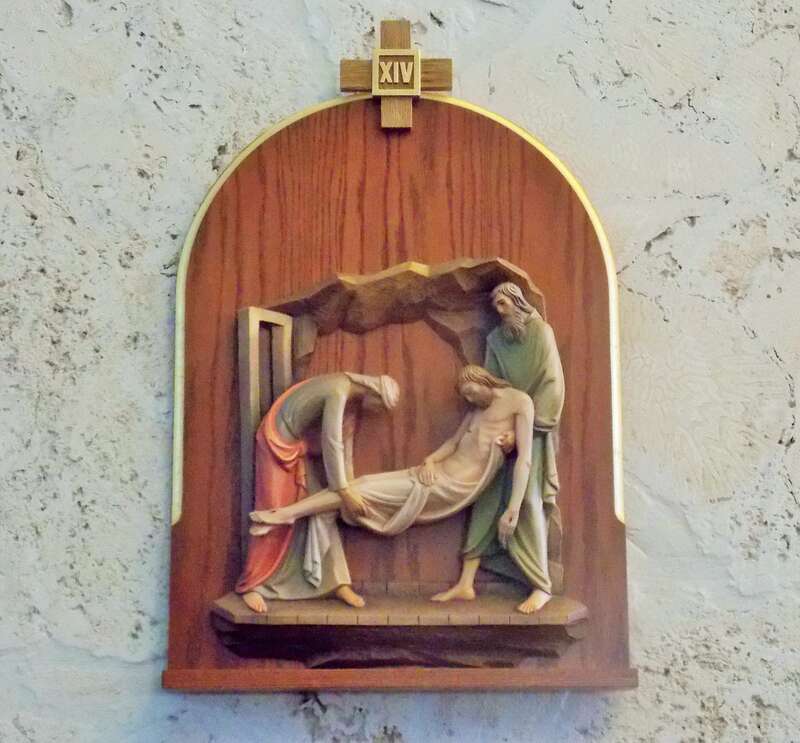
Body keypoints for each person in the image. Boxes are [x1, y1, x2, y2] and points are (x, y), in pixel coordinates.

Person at [249, 365, 532, 558]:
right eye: (465, 395)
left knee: (359, 491)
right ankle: (288, 513)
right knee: (360, 484)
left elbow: (525, 460)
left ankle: (288, 514)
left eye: (471, 391)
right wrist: (430, 461)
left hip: (449, 487)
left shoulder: (520, 402)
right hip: (431, 474)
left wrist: (514, 507)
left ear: (484, 380)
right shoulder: (476, 412)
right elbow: (452, 444)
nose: (469, 398)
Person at [432, 281, 565, 614]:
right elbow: (489, 388)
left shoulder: (542, 334)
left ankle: (541, 585)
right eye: (495, 307)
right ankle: (466, 582)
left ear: (518, 302)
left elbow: (552, 386)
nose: (500, 312)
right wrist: (500, 426)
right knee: (485, 499)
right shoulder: (495, 340)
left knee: (529, 501)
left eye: (504, 304)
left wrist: (522, 431)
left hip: (532, 430)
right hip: (497, 433)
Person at [236, 372, 400, 614]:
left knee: (322, 511)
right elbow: (332, 443)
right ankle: (253, 584)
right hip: (276, 447)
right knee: (273, 514)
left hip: (298, 449)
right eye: (380, 406)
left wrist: (349, 488)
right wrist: (344, 491)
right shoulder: (338, 390)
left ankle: (336, 583)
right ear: (374, 393)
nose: (377, 412)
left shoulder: (350, 404)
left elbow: (344, 448)